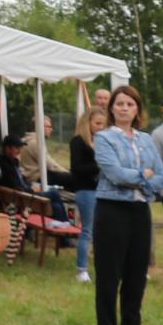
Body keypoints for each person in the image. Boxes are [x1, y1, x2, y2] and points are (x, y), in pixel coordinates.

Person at [91, 84, 163, 325]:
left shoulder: (146, 140)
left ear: (137, 109)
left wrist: (141, 181)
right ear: (112, 108)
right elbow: (114, 174)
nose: (124, 108)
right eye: (120, 104)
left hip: (140, 210)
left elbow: (162, 177)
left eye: (130, 104)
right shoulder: (104, 138)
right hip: (112, 210)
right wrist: (144, 176)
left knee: (137, 274)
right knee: (109, 275)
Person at [54, 108, 103, 285]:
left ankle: (101, 267)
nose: (100, 127)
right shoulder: (78, 142)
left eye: (103, 124)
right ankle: (82, 269)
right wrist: (99, 164)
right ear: (87, 123)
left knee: (101, 231)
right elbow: (77, 168)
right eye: (97, 123)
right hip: (86, 190)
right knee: (88, 230)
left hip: (102, 190)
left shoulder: (101, 142)